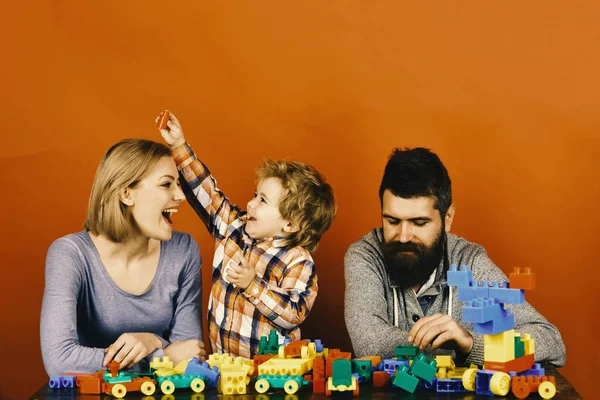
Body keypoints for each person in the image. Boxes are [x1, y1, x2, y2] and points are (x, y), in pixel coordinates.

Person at [344, 147, 566, 366]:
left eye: (419, 223)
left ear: (447, 218)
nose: (403, 237)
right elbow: (369, 345)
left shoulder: (468, 261)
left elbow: (551, 342)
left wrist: (469, 343)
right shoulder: (365, 256)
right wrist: (460, 352)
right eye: (392, 221)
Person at [157, 111, 337, 358]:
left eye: (262, 200)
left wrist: (253, 285)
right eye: (255, 195)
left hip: (271, 372)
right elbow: (207, 193)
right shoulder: (234, 229)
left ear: (291, 224)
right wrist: (178, 146)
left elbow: (293, 313)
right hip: (225, 366)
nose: (250, 204)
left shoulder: (298, 261)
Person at [41, 139, 206, 377]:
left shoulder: (184, 250)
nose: (180, 195)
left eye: (178, 183)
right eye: (166, 184)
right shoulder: (70, 254)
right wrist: (162, 357)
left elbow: (190, 353)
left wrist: (152, 340)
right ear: (126, 194)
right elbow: (60, 361)